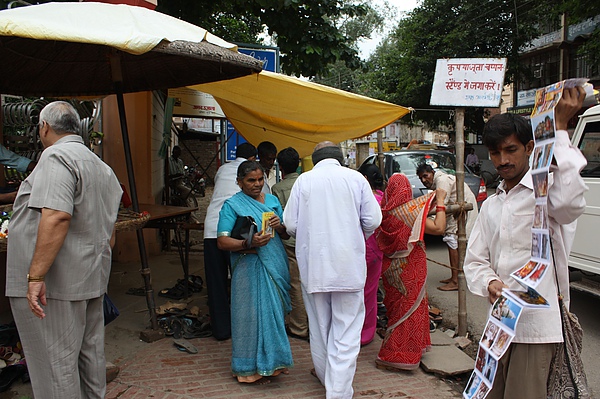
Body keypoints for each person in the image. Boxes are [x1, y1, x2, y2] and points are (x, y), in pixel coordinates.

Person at [463, 86, 587, 399]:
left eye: (510, 150)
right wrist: (490, 283)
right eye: (494, 153)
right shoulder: (492, 204)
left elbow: (572, 203)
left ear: (530, 147)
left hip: (537, 329)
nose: (502, 160)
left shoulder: (547, 195)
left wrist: (558, 130)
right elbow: (475, 260)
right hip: (500, 326)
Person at [5, 101, 122, 398]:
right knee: (89, 357)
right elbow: (109, 233)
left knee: (54, 364)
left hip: (57, 286)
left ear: (44, 127)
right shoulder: (101, 167)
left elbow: (57, 216)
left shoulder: (57, 156)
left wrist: (34, 278)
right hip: (90, 279)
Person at [283, 141, 382, 399]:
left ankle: (331, 383)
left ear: (315, 160)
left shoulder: (304, 181)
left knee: (319, 329)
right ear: (340, 158)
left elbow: (290, 224)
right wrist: (357, 234)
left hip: (314, 267)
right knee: (346, 332)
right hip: (348, 266)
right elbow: (373, 219)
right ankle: (338, 391)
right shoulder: (356, 179)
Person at [217, 160, 293, 384]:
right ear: (239, 182)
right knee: (247, 316)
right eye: (251, 180)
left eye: (260, 179)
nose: (257, 184)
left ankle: (274, 363)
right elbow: (222, 241)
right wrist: (247, 245)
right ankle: (247, 367)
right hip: (248, 266)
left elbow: (286, 235)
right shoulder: (232, 205)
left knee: (274, 313)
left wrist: (280, 226)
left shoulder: (272, 201)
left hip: (274, 264)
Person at [375, 174, 448, 371]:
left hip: (390, 270)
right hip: (409, 267)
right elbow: (439, 227)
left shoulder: (383, 213)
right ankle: (396, 356)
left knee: (397, 310)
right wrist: (439, 200)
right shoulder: (409, 212)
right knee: (410, 311)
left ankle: (411, 349)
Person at [203, 142, 257, 340]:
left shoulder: (223, 169)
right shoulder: (255, 175)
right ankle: (244, 328)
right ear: (253, 159)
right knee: (242, 281)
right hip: (236, 232)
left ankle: (221, 330)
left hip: (212, 229)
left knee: (216, 282)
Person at [416, 163, 479, 291]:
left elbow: (441, 203)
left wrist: (431, 221)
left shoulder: (442, 180)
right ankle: (454, 277)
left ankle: (456, 280)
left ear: (432, 172)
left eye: (425, 176)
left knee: (453, 242)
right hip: (454, 212)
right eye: (421, 178)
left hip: (461, 211)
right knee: (453, 242)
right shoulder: (438, 182)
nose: (424, 180)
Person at [271, 147, 308, 340]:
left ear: (281, 167)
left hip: (290, 240)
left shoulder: (278, 188)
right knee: (309, 283)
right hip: (309, 239)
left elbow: (278, 216)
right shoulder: (307, 182)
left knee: (295, 284)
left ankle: (299, 326)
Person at [357, 163, 385, 346]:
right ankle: (367, 332)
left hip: (362, 250)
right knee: (370, 293)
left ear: (365, 179)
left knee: (359, 294)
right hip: (377, 251)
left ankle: (358, 333)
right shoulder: (383, 198)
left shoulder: (363, 200)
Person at [168, 145, 200, 222]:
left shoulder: (180, 161)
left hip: (181, 181)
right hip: (174, 183)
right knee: (188, 192)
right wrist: (177, 175)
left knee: (187, 198)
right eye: (177, 153)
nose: (178, 154)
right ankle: (192, 218)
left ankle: (190, 214)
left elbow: (182, 172)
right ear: (173, 152)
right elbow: (170, 174)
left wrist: (184, 175)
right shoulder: (169, 161)